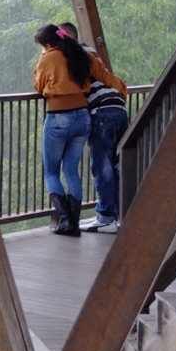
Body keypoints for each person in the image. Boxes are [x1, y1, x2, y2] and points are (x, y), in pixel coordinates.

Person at [33, 24, 123, 236]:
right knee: (71, 170)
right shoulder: (80, 54)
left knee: (51, 171)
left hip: (58, 117)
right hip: (83, 117)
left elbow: (38, 85)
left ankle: (66, 221)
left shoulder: (49, 58)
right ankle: (73, 221)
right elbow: (103, 75)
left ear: (47, 45)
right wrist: (122, 89)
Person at [58, 23, 129, 233]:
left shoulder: (70, 55)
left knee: (102, 166)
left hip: (101, 112)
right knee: (117, 165)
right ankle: (117, 215)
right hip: (118, 108)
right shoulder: (89, 50)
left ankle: (106, 217)